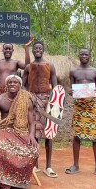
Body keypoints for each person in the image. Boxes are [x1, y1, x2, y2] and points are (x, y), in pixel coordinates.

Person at [0, 74, 39, 189]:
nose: (12, 84)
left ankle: (18, 180)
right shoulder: (0, 99)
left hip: (21, 131)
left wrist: (31, 135)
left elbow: (32, 122)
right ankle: (2, 181)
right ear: (6, 84)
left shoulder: (26, 99)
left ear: (20, 85)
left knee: (33, 150)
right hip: (4, 130)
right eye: (10, 82)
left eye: (15, 82)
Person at [65, 48, 96, 178]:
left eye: (86, 54)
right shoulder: (73, 71)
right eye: (82, 54)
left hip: (91, 106)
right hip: (78, 106)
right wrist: (70, 92)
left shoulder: (95, 72)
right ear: (79, 55)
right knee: (77, 135)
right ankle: (76, 165)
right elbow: (71, 89)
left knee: (95, 136)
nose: (84, 56)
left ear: (89, 56)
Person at [22, 41, 58, 178]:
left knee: (49, 133)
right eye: (35, 48)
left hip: (47, 101)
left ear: (43, 50)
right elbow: (24, 85)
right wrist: (29, 97)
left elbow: (55, 86)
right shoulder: (28, 67)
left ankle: (48, 166)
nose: (37, 50)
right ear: (32, 51)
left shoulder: (50, 66)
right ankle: (35, 165)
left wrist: (54, 102)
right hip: (32, 101)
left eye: (40, 48)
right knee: (34, 133)